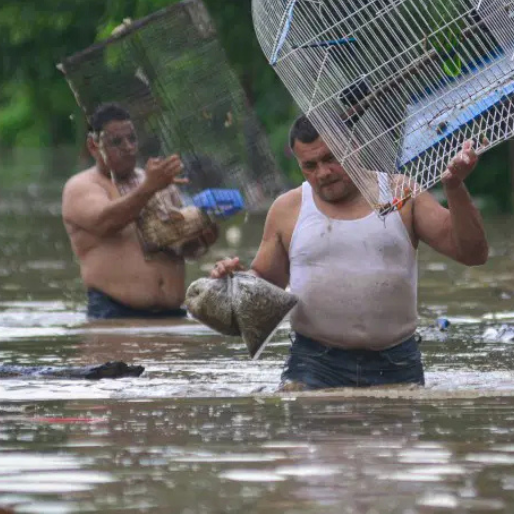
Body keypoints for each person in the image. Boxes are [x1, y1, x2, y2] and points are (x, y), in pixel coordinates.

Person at [210, 115, 490, 390]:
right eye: (310, 165)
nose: (323, 173)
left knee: (398, 423)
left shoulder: (400, 193)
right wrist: (237, 282)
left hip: (396, 361)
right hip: (314, 362)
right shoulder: (288, 208)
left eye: (331, 158)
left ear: (354, 148)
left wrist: (454, 188)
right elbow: (266, 282)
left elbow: (473, 253)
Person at [62, 103, 217, 320]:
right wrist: (149, 188)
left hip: (173, 315)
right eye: (116, 142)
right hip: (114, 316)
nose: (128, 147)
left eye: (132, 139)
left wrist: (202, 239)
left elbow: (184, 248)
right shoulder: (82, 186)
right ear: (93, 146)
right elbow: (106, 221)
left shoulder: (157, 181)